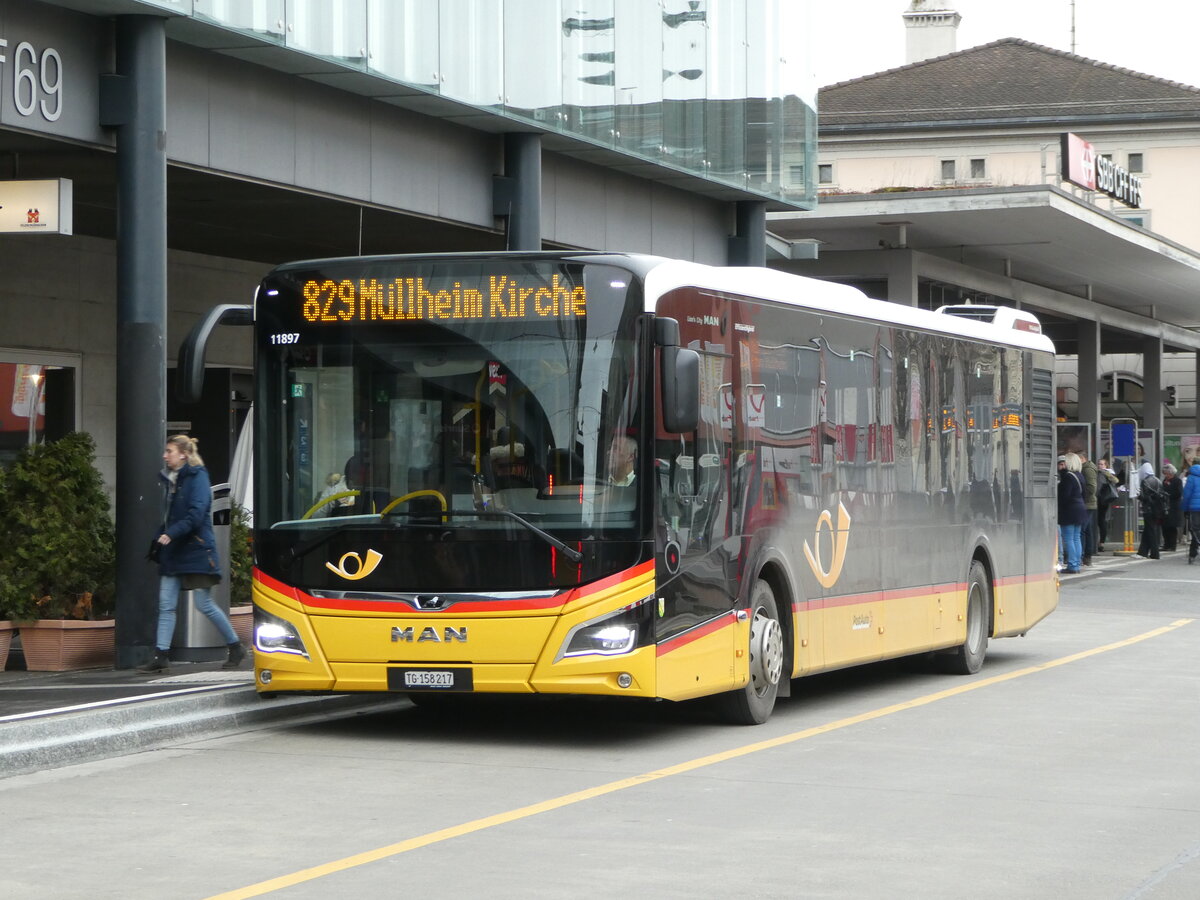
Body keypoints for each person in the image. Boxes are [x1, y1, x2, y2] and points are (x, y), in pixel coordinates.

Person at [138, 435, 247, 673]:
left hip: (195, 549)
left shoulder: (197, 477)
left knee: (204, 603)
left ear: (183, 454)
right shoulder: (172, 479)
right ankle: (161, 654)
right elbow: (170, 517)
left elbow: (196, 514)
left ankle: (235, 646)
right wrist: (160, 538)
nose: (165, 455)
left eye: (169, 451)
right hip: (175, 550)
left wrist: (171, 534)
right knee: (166, 605)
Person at [1056, 453, 1086, 574]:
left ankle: (1072, 565)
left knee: (1068, 538)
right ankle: (1077, 563)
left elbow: (1064, 495)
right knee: (1076, 538)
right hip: (1080, 509)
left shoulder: (1068, 477)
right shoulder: (1080, 476)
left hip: (1069, 510)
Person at [1135, 460, 1164, 560]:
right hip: (1157, 509)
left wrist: (1138, 496)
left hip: (1148, 509)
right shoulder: (1158, 480)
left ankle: (1155, 553)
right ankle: (1142, 551)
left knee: (1150, 531)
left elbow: (1144, 496)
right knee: (1148, 530)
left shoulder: (1145, 481)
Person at [1095, 457, 1120, 550]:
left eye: (1102, 464)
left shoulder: (1105, 473)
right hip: (1103, 499)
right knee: (1101, 520)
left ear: (1106, 465)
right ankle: (1100, 542)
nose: (1100, 466)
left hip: (1102, 499)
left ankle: (1101, 542)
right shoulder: (1101, 473)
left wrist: (1106, 473)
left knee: (1101, 520)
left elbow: (1099, 487)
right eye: (1099, 464)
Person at [1079, 450, 1098, 566]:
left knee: (1082, 530)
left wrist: (1081, 493)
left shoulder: (1088, 469)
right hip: (1088, 503)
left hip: (1087, 504)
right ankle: (1087, 555)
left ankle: (1084, 555)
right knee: (1087, 530)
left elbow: (1092, 488)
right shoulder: (1087, 468)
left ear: (1082, 459)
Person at [1161, 463, 1183, 552]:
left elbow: (1179, 493)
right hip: (1165, 506)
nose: (1165, 476)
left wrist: (1168, 495)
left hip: (1174, 506)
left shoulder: (1177, 481)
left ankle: (1172, 545)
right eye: (1165, 474)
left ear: (1171, 473)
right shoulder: (1164, 481)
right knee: (1164, 526)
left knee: (1172, 526)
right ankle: (1166, 545)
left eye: (1167, 474)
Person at [1182, 459, 1200, 564]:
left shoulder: (1191, 478)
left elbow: (1187, 495)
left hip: (1194, 508)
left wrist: (1185, 508)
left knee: (1195, 530)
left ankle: (1193, 553)